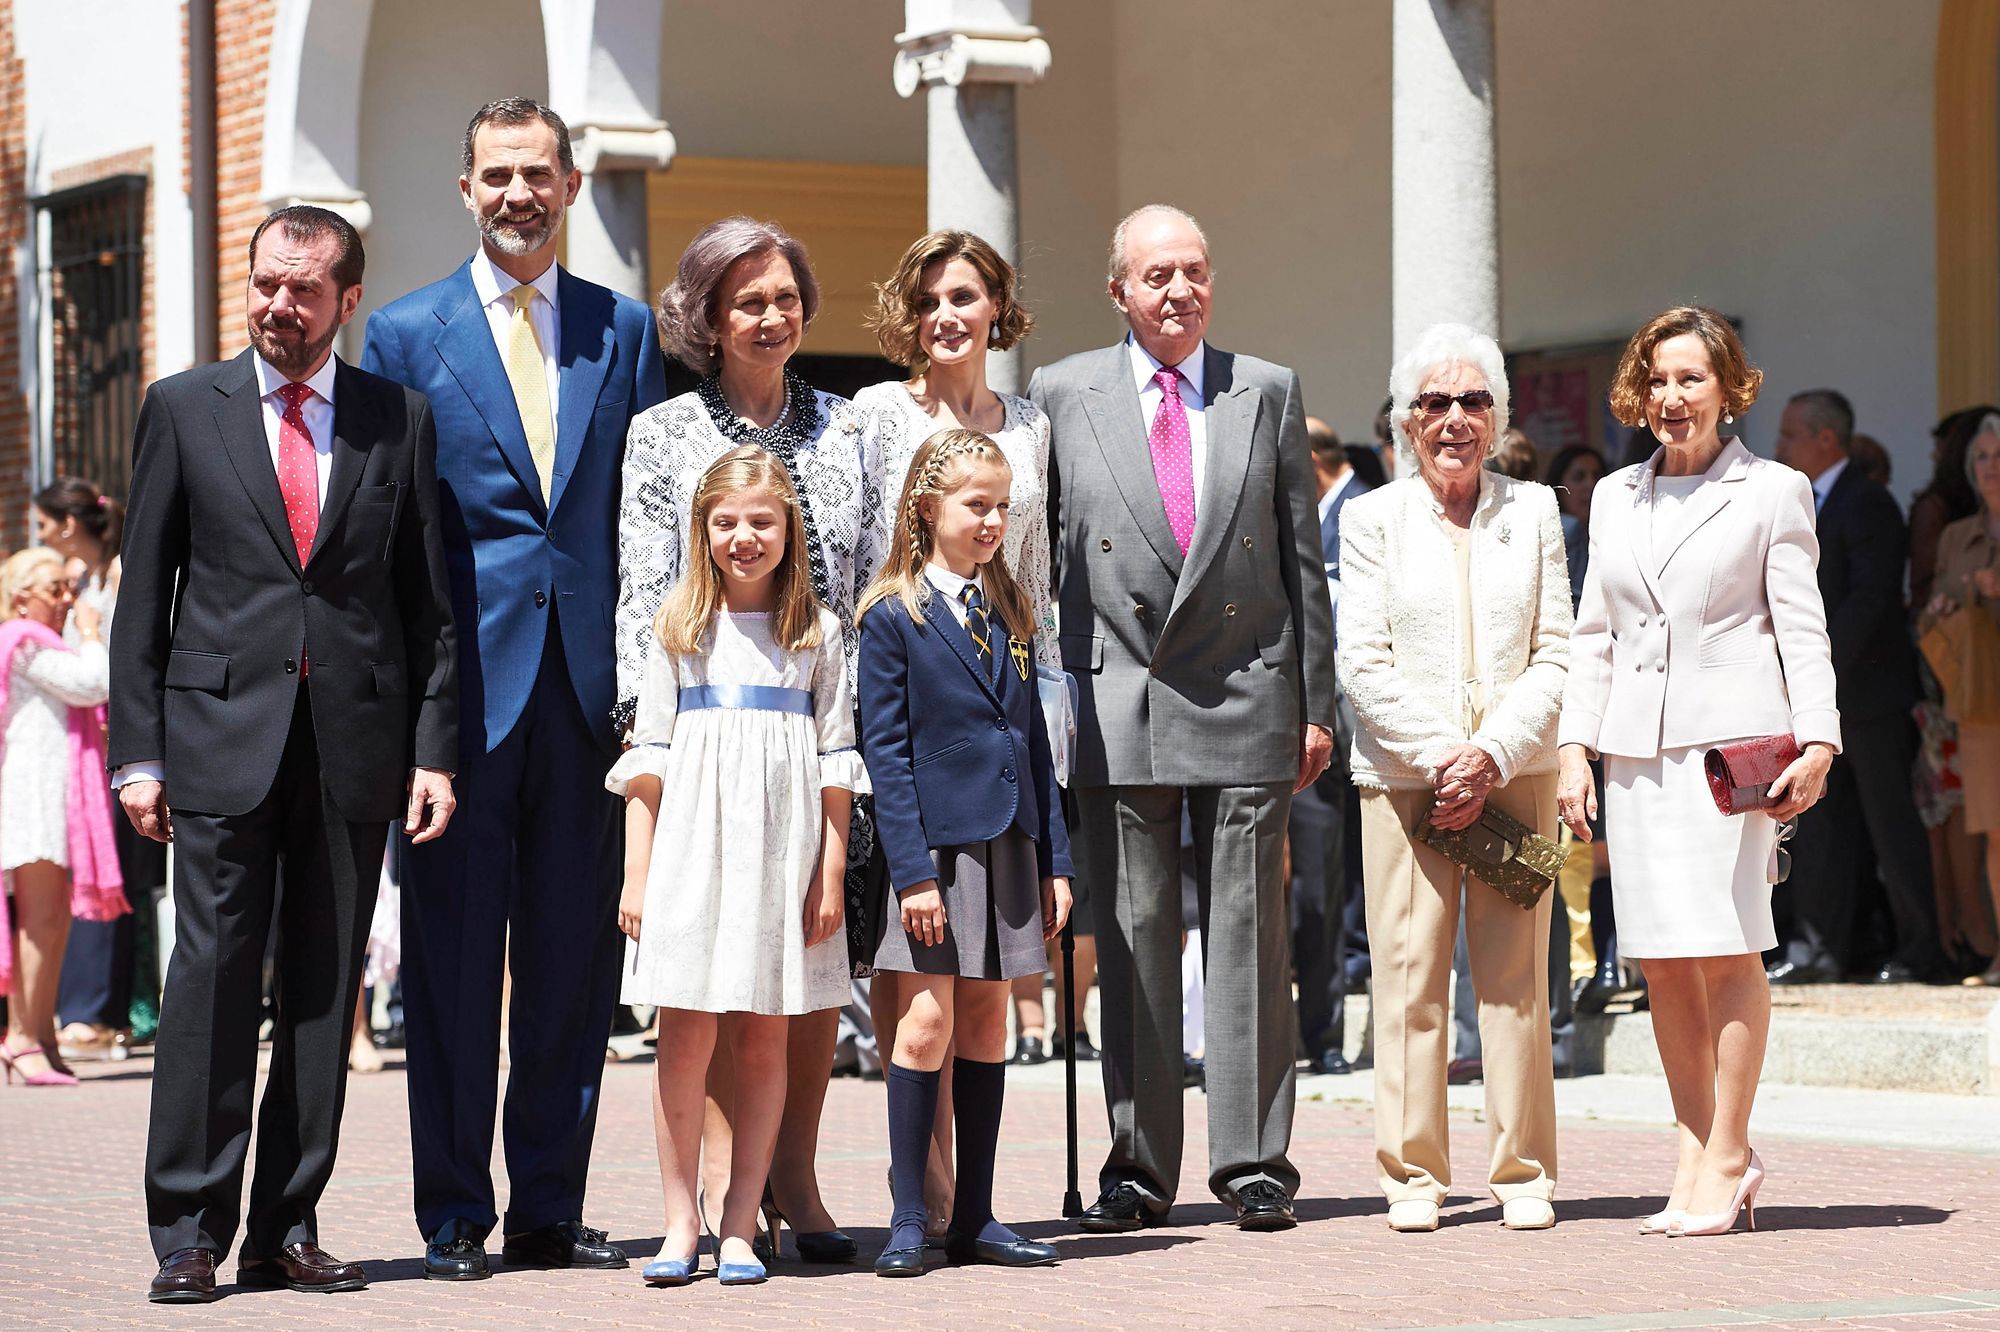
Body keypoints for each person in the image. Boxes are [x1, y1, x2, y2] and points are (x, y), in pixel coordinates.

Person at [113, 204, 458, 1302]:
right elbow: (142, 602)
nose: (279, 304)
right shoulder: (182, 408)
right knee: (210, 988)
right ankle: (188, 1231)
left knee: (322, 995)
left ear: (346, 299)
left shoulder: (398, 419)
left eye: (304, 289)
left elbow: (428, 608)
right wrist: (138, 755)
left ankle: (285, 1224)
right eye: (266, 283)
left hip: (354, 750)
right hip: (216, 746)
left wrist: (432, 753)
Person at [360, 98, 665, 1280]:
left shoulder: (622, 329)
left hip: (590, 703)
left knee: (569, 967)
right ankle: (452, 1214)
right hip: (459, 704)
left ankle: (547, 1205)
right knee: (447, 967)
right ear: (465, 189)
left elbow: (647, 528)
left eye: (537, 173)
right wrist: (412, 724)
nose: (517, 194)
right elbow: (395, 544)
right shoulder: (400, 334)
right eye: (496, 176)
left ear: (573, 184)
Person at [1031, 204, 1336, 1234]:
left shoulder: (1268, 391)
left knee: (1249, 940)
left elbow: (1302, 563)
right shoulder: (1060, 393)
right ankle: (1138, 1165)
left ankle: (1252, 1161)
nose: (1178, 291)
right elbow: (1047, 560)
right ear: (1115, 289)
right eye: (1156, 275)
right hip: (1117, 698)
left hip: (1247, 690)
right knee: (1132, 938)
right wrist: (1049, 701)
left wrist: (1315, 704)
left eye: (1194, 272)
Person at [618, 215, 880, 1264]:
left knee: (801, 973)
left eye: (783, 297)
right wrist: (656, 768)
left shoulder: (848, 426)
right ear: (707, 319)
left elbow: (864, 579)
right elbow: (646, 601)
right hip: (706, 740)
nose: (770, 317)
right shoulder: (664, 435)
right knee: (712, 985)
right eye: (746, 302)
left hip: (820, 733)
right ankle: (726, 1197)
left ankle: (795, 1182)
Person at [1558, 306, 1838, 1238]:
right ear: (1638, 393)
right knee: (1664, 958)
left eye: (1691, 380)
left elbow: (1802, 628)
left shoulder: (1773, 491)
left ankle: (1729, 1148)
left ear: (1729, 389)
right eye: (1659, 381)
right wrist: (1574, 749)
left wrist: (1821, 743)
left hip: (1731, 757)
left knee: (1727, 949)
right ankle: (1692, 1142)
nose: (1673, 398)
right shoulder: (1613, 497)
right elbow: (1593, 634)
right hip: (1636, 752)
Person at [849, 228, 1067, 1239]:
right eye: (929, 296)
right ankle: (915, 1205)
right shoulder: (875, 417)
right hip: (924, 778)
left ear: (995, 307)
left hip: (1007, 782)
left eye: (966, 295)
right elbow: (861, 561)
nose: (946, 314)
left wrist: (1055, 845)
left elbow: (1038, 590)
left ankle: (969, 1210)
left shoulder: (1029, 427)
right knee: (923, 1010)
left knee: (984, 1011)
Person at [1337, 323, 1570, 1233]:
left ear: (1499, 417)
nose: (1455, 419)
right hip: (1405, 780)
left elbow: (1558, 650)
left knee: (1517, 982)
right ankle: (1415, 1176)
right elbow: (1362, 661)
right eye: (1434, 402)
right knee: (1408, 978)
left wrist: (1494, 755)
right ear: (1404, 421)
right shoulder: (1370, 518)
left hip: (1517, 772)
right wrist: (1447, 757)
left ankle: (1523, 1172)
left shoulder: (1537, 510)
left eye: (1474, 401)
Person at [612, 448, 861, 1287]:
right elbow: (646, 761)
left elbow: (836, 765)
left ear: (790, 528)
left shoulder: (816, 634)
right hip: (690, 852)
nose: (744, 537)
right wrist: (636, 875)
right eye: (726, 523)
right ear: (702, 530)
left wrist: (828, 876)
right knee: (682, 1035)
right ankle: (679, 1217)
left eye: (762, 521)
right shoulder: (679, 628)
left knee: (765, 1036)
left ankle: (741, 1221)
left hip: (782, 858)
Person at [1771, 389, 1947, 985]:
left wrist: (1812, 669)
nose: (1780, 445)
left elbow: (1869, 601)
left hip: (1867, 700)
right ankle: (1819, 949)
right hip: (1822, 703)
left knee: (1890, 826)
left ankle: (1924, 949)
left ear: (1825, 438)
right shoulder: (1796, 503)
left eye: (1791, 433)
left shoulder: (1866, 502)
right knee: (1821, 828)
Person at [33, 480, 157, 1062]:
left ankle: (103, 1011)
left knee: (115, 876)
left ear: (65, 525)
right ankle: (91, 1009)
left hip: (118, 739)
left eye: (40, 524)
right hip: (76, 743)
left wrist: (85, 633)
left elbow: (130, 656)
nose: (38, 536)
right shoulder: (75, 582)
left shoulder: (119, 574)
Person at [0, 547, 120, 1088]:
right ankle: (23, 1037)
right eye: (54, 589)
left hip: (54, 797)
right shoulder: (20, 640)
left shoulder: (44, 641)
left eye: (66, 588)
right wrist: (92, 632)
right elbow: (93, 683)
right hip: (31, 798)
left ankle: (41, 1035)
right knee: (40, 920)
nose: (66, 599)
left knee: (53, 922)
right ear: (20, 595)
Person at [1291, 415, 1369, 1076]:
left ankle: (1324, 1033)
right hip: (1276, 724)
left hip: (1345, 724)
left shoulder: (1364, 515)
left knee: (1333, 887)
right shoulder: (1281, 517)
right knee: (1298, 891)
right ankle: (1299, 1033)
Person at [1923, 413, 2000, 988]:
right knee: (1994, 832)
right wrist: (1953, 605)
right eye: (1981, 458)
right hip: (1981, 701)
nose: (1991, 467)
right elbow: (1929, 616)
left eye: (1999, 457)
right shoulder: (1957, 537)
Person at [1544, 445, 1621, 1011]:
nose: (1590, 484)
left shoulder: (1622, 526)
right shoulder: (1565, 533)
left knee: (1613, 846)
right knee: (1581, 846)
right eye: (1578, 476)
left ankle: (1618, 962)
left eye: (1598, 474)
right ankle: (1592, 963)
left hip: (1629, 698)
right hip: (1579, 698)